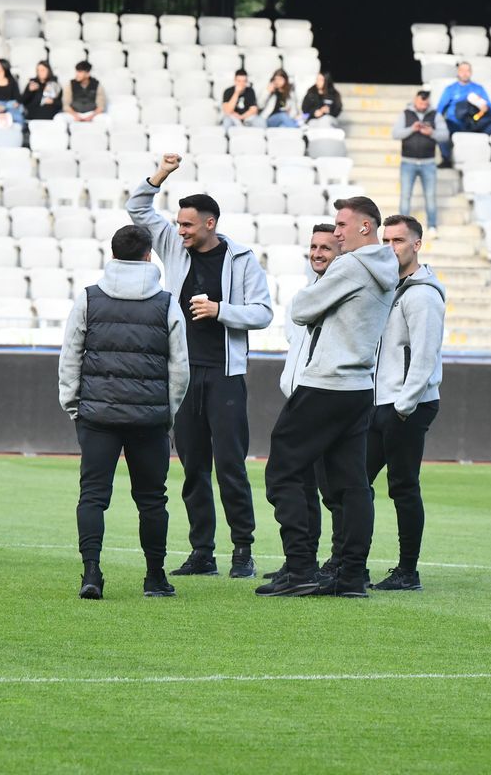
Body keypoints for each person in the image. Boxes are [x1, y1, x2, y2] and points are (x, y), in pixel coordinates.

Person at [127, 154, 273, 579]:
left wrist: (220, 310)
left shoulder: (242, 258)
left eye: (187, 224)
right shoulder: (174, 245)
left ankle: (242, 549)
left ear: (210, 223)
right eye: (178, 223)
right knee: (192, 467)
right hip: (183, 376)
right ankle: (201, 552)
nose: (179, 231)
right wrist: (160, 174)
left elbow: (262, 313)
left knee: (230, 465)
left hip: (226, 375)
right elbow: (137, 211)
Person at [259, 196, 398, 598]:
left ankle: (300, 567)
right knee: (352, 484)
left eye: (341, 225)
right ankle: (350, 575)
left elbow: (302, 308)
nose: (335, 233)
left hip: (326, 384)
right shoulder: (386, 267)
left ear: (365, 228)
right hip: (359, 388)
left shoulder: (352, 264)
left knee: (282, 471)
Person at [58, 225, 190, 600]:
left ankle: (91, 573)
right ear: (150, 255)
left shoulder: (89, 298)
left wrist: (75, 407)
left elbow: (71, 356)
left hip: (97, 416)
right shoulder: (166, 303)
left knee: (93, 495)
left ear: (113, 254)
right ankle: (154, 577)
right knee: (152, 499)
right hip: (149, 420)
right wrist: (168, 412)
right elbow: (179, 367)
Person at [368, 215, 445, 592]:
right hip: (379, 400)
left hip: (405, 404)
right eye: (386, 240)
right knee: (350, 481)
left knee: (402, 486)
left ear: (417, 245)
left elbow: (425, 355)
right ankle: (348, 561)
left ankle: (407, 570)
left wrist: (403, 404)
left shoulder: (423, 295)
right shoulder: (387, 288)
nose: (390, 247)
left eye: (398, 240)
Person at [266, 224, 342, 580]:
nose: (317, 253)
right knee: (301, 484)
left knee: (334, 487)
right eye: (313, 246)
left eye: (326, 247)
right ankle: (302, 561)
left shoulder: (344, 296)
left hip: (326, 400)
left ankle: (338, 562)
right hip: (299, 398)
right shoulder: (302, 295)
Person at [393, 90, 448, 234]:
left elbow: (445, 136)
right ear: (415, 100)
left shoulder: (435, 115)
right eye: (420, 102)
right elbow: (395, 134)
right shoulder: (405, 114)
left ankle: (432, 225)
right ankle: (401, 228)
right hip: (408, 162)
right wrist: (412, 129)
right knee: (405, 195)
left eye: (425, 102)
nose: (423, 105)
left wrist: (432, 133)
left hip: (428, 162)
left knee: (430, 196)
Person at [436, 62, 491, 167]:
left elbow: (489, 105)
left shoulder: (478, 88)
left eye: (467, 70)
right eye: (462, 70)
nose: (465, 73)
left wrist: (484, 107)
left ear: (471, 73)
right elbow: (440, 109)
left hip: (475, 122)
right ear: (458, 72)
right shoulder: (450, 89)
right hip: (456, 123)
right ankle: (446, 159)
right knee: (442, 129)